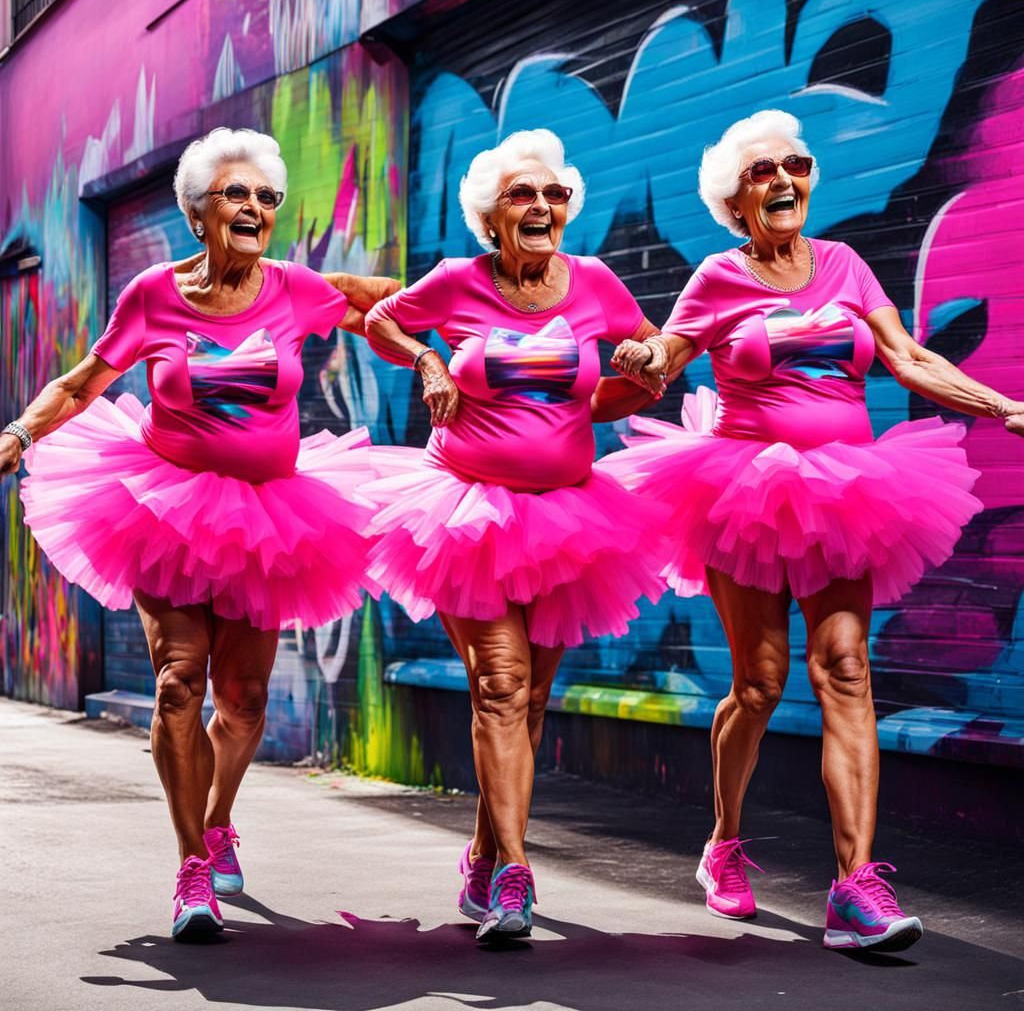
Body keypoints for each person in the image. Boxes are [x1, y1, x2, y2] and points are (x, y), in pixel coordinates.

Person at [601, 109, 1024, 953]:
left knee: (847, 670)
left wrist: (1006, 406)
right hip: (743, 491)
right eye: (762, 172)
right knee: (759, 684)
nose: (783, 181)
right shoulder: (719, 277)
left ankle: (854, 888)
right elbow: (670, 354)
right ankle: (723, 843)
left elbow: (907, 357)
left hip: (845, 491)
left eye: (794, 165)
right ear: (735, 200)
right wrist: (643, 358)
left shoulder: (845, 264)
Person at [0, 128, 399, 940]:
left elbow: (384, 304)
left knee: (243, 699)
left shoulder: (294, 288)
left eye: (265, 197)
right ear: (196, 214)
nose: (254, 207)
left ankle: (218, 823)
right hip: (165, 509)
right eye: (235, 194)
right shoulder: (154, 294)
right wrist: (19, 431)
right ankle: (190, 869)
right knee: (179, 681)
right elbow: (83, 383)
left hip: (271, 517)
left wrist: (459, 322)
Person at [362, 129, 667, 942]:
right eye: (522, 195)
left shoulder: (594, 282)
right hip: (467, 513)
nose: (540, 206)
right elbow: (383, 321)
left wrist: (644, 366)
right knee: (500, 683)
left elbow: (642, 359)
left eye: (553, 194)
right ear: (491, 217)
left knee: (530, 697)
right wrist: (428, 364)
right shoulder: (459, 280)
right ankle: (517, 876)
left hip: (569, 515)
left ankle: (485, 853)